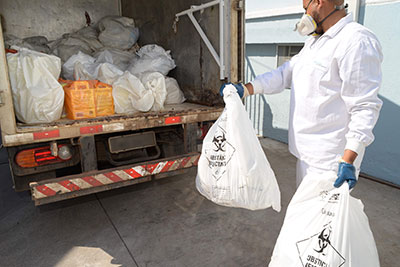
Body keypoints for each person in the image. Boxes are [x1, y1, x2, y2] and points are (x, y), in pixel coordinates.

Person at [220, 0, 383, 188]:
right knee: (305, 215)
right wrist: (245, 89)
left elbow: (364, 107)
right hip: (306, 155)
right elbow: (284, 74)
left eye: (306, 8)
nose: (304, 14)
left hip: (331, 162)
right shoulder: (315, 42)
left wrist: (348, 159)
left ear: (319, 2)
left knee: (322, 217)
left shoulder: (356, 41)